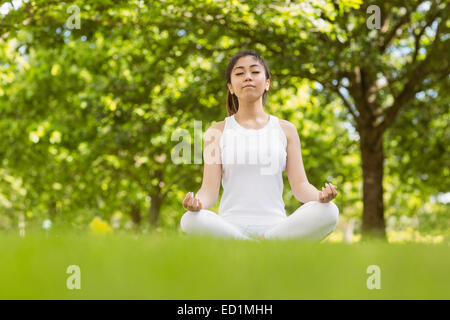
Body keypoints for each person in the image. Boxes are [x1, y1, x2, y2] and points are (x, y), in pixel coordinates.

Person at [180, 50, 339, 241]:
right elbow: (209, 191)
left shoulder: (286, 130)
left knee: (330, 211)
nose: (248, 77)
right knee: (189, 219)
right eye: (239, 73)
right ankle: (253, 245)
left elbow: (300, 185)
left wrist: (320, 197)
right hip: (229, 228)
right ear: (231, 87)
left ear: (267, 83)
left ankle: (262, 242)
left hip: (276, 227)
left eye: (255, 72)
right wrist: (197, 203)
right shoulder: (217, 131)